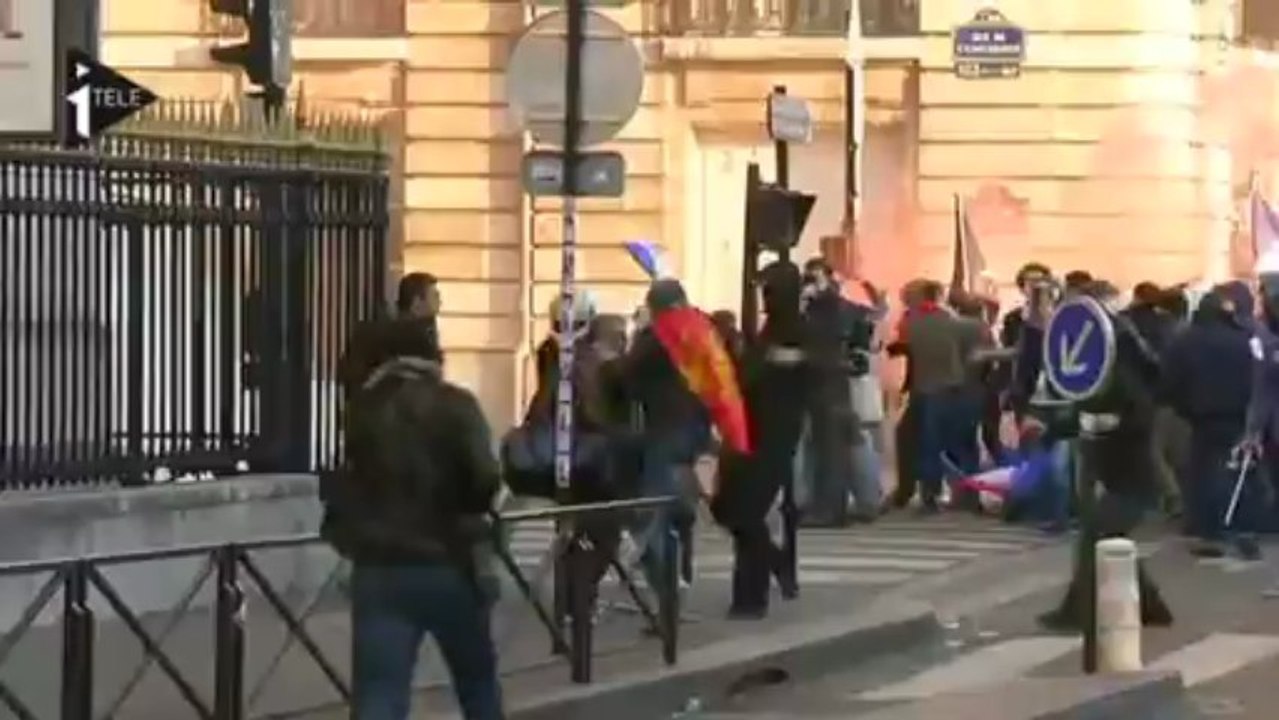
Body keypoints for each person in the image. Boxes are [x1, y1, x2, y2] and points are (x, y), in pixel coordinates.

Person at [322, 319, 504, 720]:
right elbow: (485, 480)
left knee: (379, 696)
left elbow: (352, 481)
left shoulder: (362, 410)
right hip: (451, 563)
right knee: (477, 685)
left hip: (381, 566)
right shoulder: (457, 404)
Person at [1039, 279, 1173, 630]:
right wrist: (1061, 427)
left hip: (1130, 470)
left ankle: (1079, 614)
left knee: (1097, 536)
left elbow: (1134, 409)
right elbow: (1089, 402)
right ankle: (1151, 607)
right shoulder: (1113, 355)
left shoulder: (1124, 355)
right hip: (1113, 461)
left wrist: (1111, 422)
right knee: (1108, 537)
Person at [624, 280, 713, 592]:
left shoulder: (656, 337)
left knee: (651, 512)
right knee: (680, 511)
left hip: (663, 430)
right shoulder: (704, 330)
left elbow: (628, 377)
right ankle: (680, 579)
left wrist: (639, 333)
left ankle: (666, 590)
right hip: (695, 430)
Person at [1162, 286, 1258, 559]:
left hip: (1202, 417)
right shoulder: (1244, 339)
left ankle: (1208, 529)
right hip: (1240, 415)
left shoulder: (1186, 340)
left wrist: (1184, 408)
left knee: (1203, 472)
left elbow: (1171, 382)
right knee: (1239, 471)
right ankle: (1241, 526)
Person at [887, 280, 966, 513]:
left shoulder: (916, 319)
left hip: (932, 388)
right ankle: (914, 490)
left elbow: (902, 344)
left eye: (907, 296)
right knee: (919, 438)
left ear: (921, 297)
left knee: (925, 441)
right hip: (938, 387)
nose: (904, 300)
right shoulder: (949, 318)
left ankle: (924, 493)